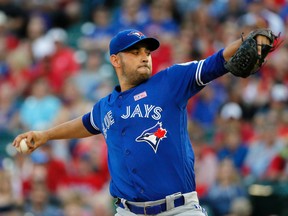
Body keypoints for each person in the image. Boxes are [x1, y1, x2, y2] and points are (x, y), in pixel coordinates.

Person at [13, 28, 275, 216]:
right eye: (135, 52)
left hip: (179, 209)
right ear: (115, 60)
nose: (144, 56)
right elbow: (86, 123)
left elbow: (215, 62)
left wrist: (245, 41)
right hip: (128, 211)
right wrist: (45, 135)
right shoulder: (107, 105)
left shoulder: (170, 82)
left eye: (146, 51)